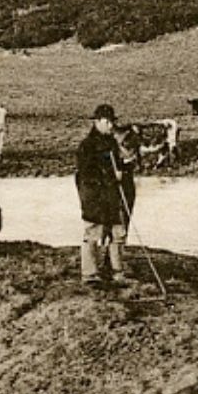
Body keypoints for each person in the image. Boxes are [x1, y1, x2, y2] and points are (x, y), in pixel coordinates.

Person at [75, 104, 134, 289]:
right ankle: (90, 274)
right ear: (97, 121)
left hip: (112, 196)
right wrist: (111, 176)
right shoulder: (87, 146)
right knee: (93, 232)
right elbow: (86, 174)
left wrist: (126, 167)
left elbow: (120, 168)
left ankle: (117, 272)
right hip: (94, 196)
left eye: (112, 122)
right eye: (107, 122)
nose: (111, 126)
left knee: (117, 233)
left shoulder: (111, 143)